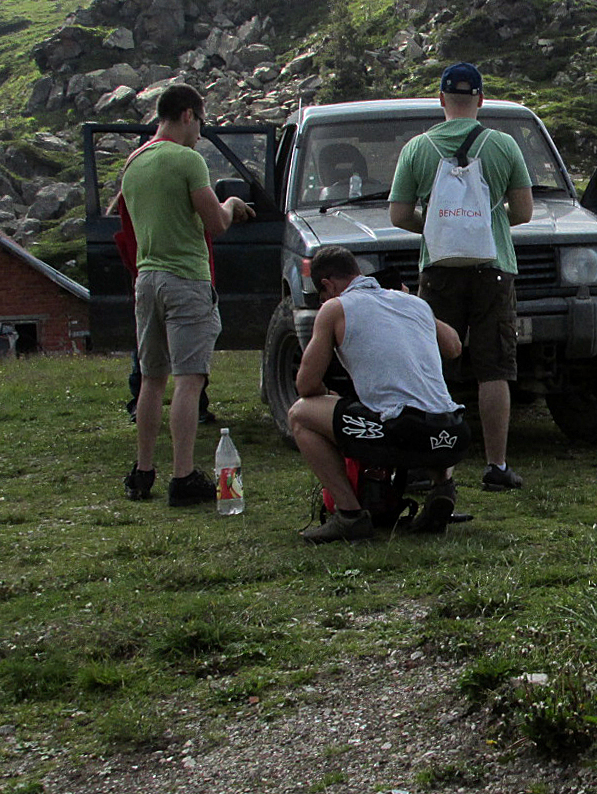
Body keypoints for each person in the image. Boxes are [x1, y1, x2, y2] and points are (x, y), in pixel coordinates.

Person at [389, 63, 533, 491]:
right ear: (481, 101)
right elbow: (523, 212)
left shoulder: (417, 148)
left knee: (433, 365)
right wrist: (483, 226)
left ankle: (429, 463)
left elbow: (398, 214)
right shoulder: (503, 145)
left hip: (438, 270)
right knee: (494, 368)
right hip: (493, 270)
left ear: (441, 100)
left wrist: (437, 227)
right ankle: (496, 465)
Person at [120, 84, 254, 505]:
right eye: (200, 121)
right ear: (187, 116)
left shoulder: (134, 162)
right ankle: (183, 477)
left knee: (151, 379)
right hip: (186, 280)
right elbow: (215, 223)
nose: (200, 132)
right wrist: (231, 202)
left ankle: (143, 472)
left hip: (146, 279)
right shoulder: (188, 160)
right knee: (190, 379)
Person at [289, 247, 468, 543]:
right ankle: (442, 488)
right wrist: (411, 307)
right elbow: (454, 347)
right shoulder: (412, 303)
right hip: (454, 433)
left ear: (326, 285)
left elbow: (306, 386)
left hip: (404, 434)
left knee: (300, 414)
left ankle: (349, 515)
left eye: (321, 295)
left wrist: (329, 396)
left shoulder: (335, 308)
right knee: (427, 399)